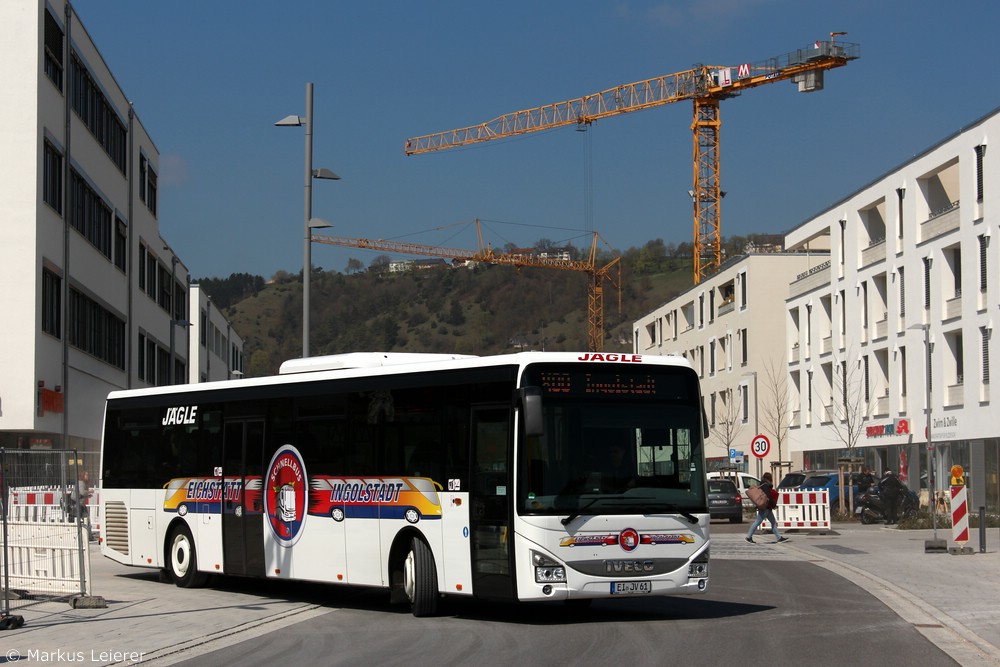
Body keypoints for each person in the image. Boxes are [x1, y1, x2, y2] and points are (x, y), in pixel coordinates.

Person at [745, 472, 788, 544]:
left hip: (766, 507)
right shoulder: (766, 486)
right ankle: (748, 537)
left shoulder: (763, 484)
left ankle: (779, 537)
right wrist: (774, 504)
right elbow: (768, 497)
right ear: (769, 479)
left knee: (773, 522)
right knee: (757, 522)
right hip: (766, 507)